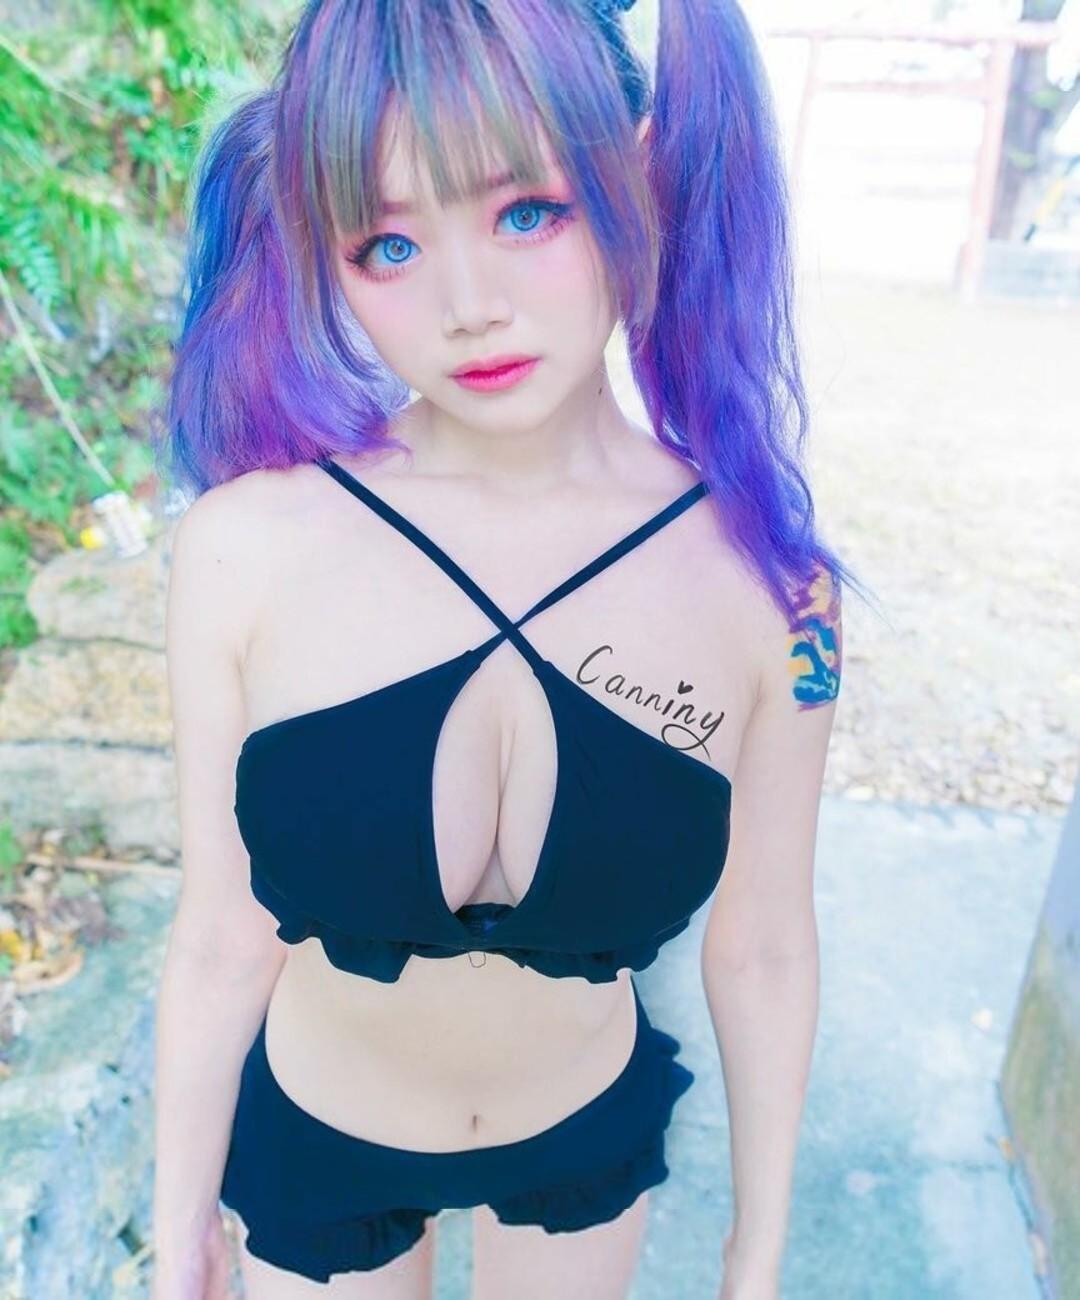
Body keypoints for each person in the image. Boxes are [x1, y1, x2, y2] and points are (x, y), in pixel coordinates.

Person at [151, 0, 862, 1296]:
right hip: (317, 1133)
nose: (467, 307)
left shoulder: (777, 589)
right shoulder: (243, 547)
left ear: (640, 173)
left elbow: (764, 943)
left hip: (580, 1136)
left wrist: (756, 1255)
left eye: (528, 211)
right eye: (388, 244)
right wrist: (176, 1229)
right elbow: (218, 934)